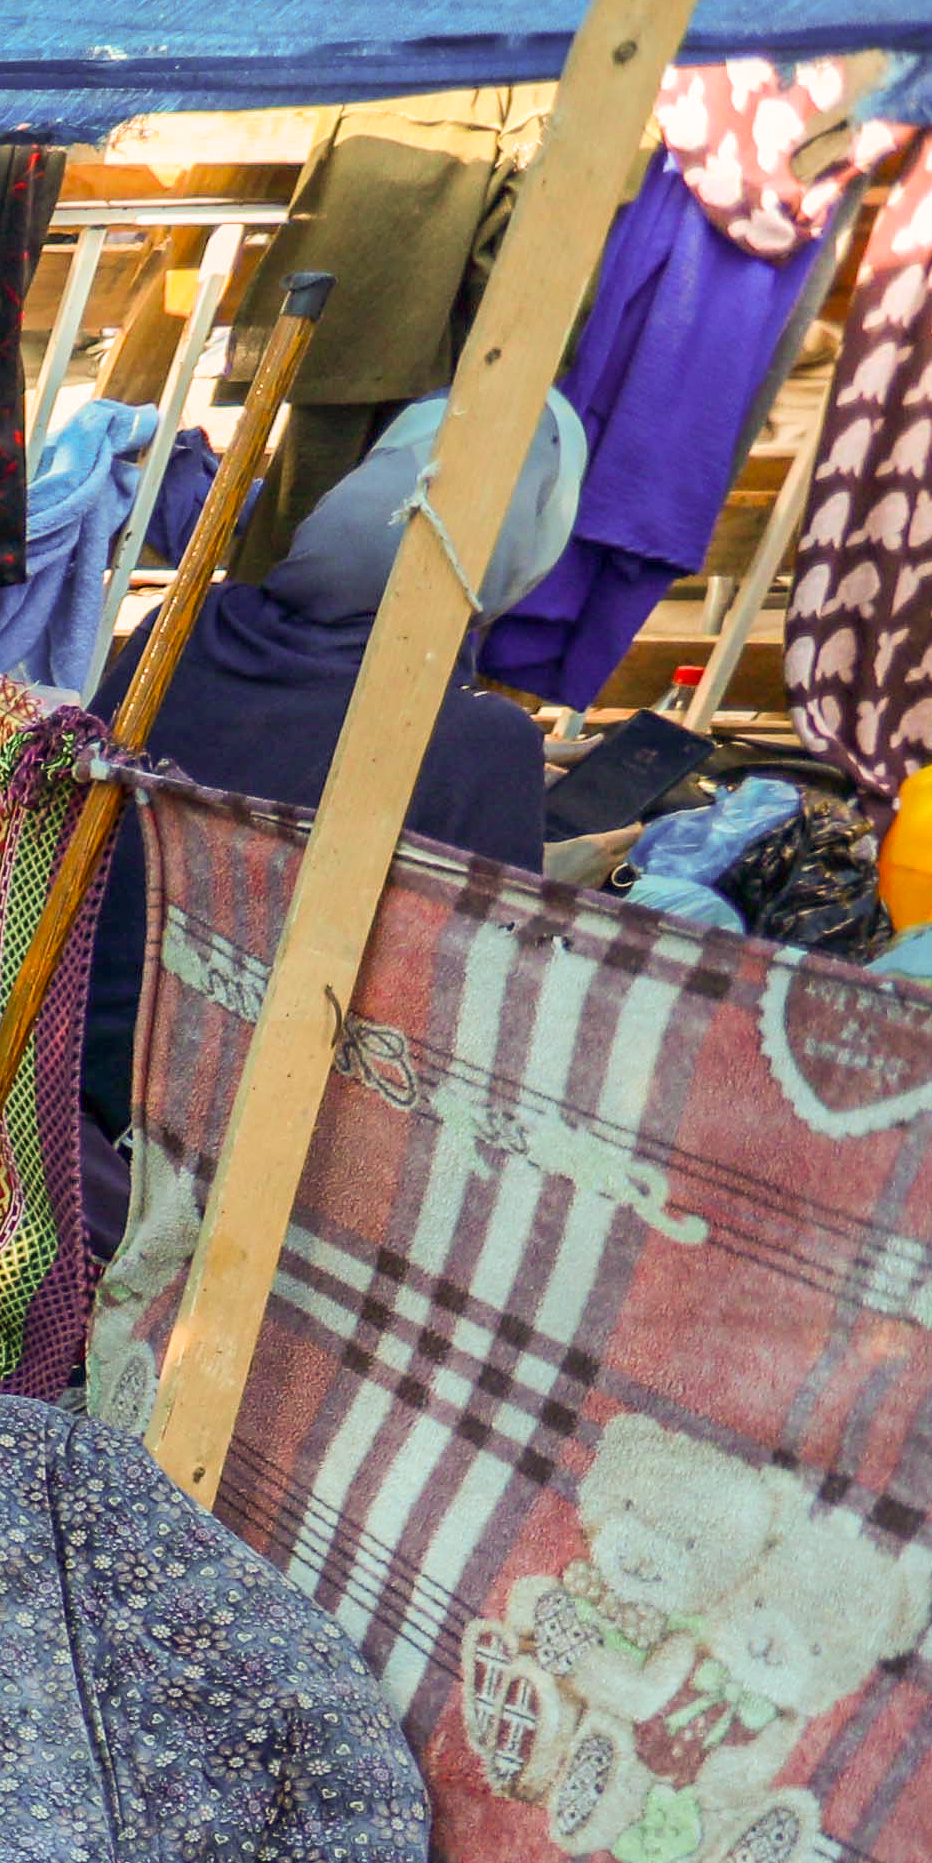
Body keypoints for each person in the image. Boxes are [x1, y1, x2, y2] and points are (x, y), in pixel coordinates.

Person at [77, 392, 589, 1248]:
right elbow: (493, 1014)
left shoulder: (184, 626)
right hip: (227, 1166)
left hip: (58, 1085)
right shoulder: (477, 743)